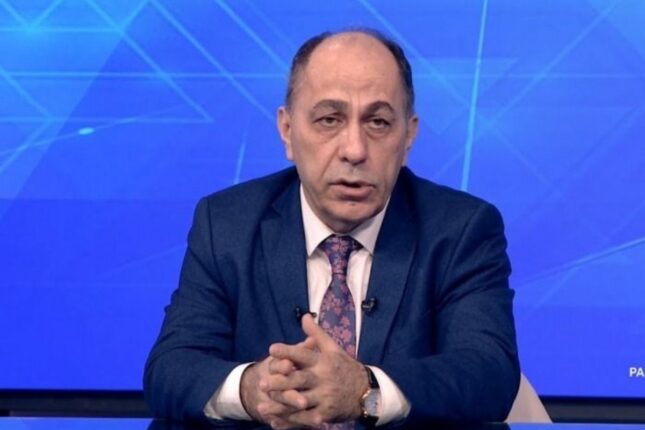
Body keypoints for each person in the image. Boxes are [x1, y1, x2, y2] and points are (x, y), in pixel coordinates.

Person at [144, 28, 520, 428]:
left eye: (378, 122)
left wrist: (365, 390)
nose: (354, 150)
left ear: (408, 136)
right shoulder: (226, 223)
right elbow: (171, 368)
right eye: (329, 119)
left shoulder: (462, 230)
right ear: (288, 130)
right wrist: (252, 389)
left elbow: (489, 375)